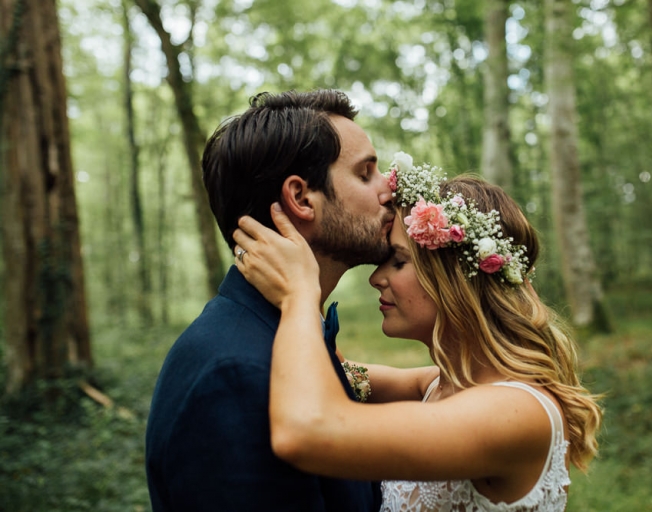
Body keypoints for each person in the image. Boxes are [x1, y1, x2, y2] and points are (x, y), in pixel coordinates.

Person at [232, 153, 603, 511]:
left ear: (457, 279)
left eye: (398, 261)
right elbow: (338, 373)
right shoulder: (438, 385)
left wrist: (299, 292)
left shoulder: (517, 413)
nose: (377, 278)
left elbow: (306, 432)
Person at [145, 90, 405, 511]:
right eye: (365, 173)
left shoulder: (285, 330)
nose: (388, 190)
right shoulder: (233, 373)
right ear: (302, 199)